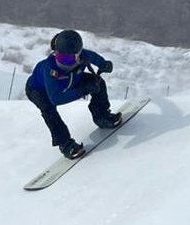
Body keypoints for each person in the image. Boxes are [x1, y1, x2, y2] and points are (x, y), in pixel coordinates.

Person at [25, 29, 121, 159]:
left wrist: (104, 64)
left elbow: (93, 57)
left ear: (78, 55)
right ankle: (65, 144)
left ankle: (101, 116)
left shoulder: (83, 56)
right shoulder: (50, 70)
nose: (63, 62)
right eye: (60, 57)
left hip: (71, 80)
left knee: (98, 83)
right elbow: (56, 98)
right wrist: (83, 90)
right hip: (38, 90)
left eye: (69, 59)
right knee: (49, 111)